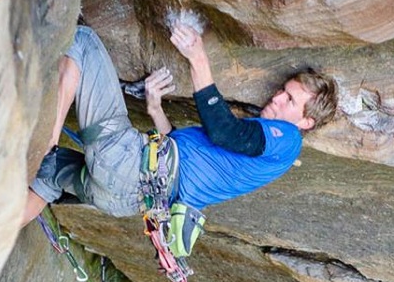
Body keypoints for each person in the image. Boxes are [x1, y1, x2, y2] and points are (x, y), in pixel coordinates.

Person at [22, 23, 338, 226]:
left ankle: (46, 141)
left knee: (84, 41)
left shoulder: (287, 141)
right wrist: (154, 107)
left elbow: (224, 130)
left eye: (291, 101)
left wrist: (198, 58)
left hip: (130, 167)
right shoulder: (259, 149)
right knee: (48, 177)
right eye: (284, 91)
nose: (278, 98)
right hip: (124, 199)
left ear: (307, 122)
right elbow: (179, 147)